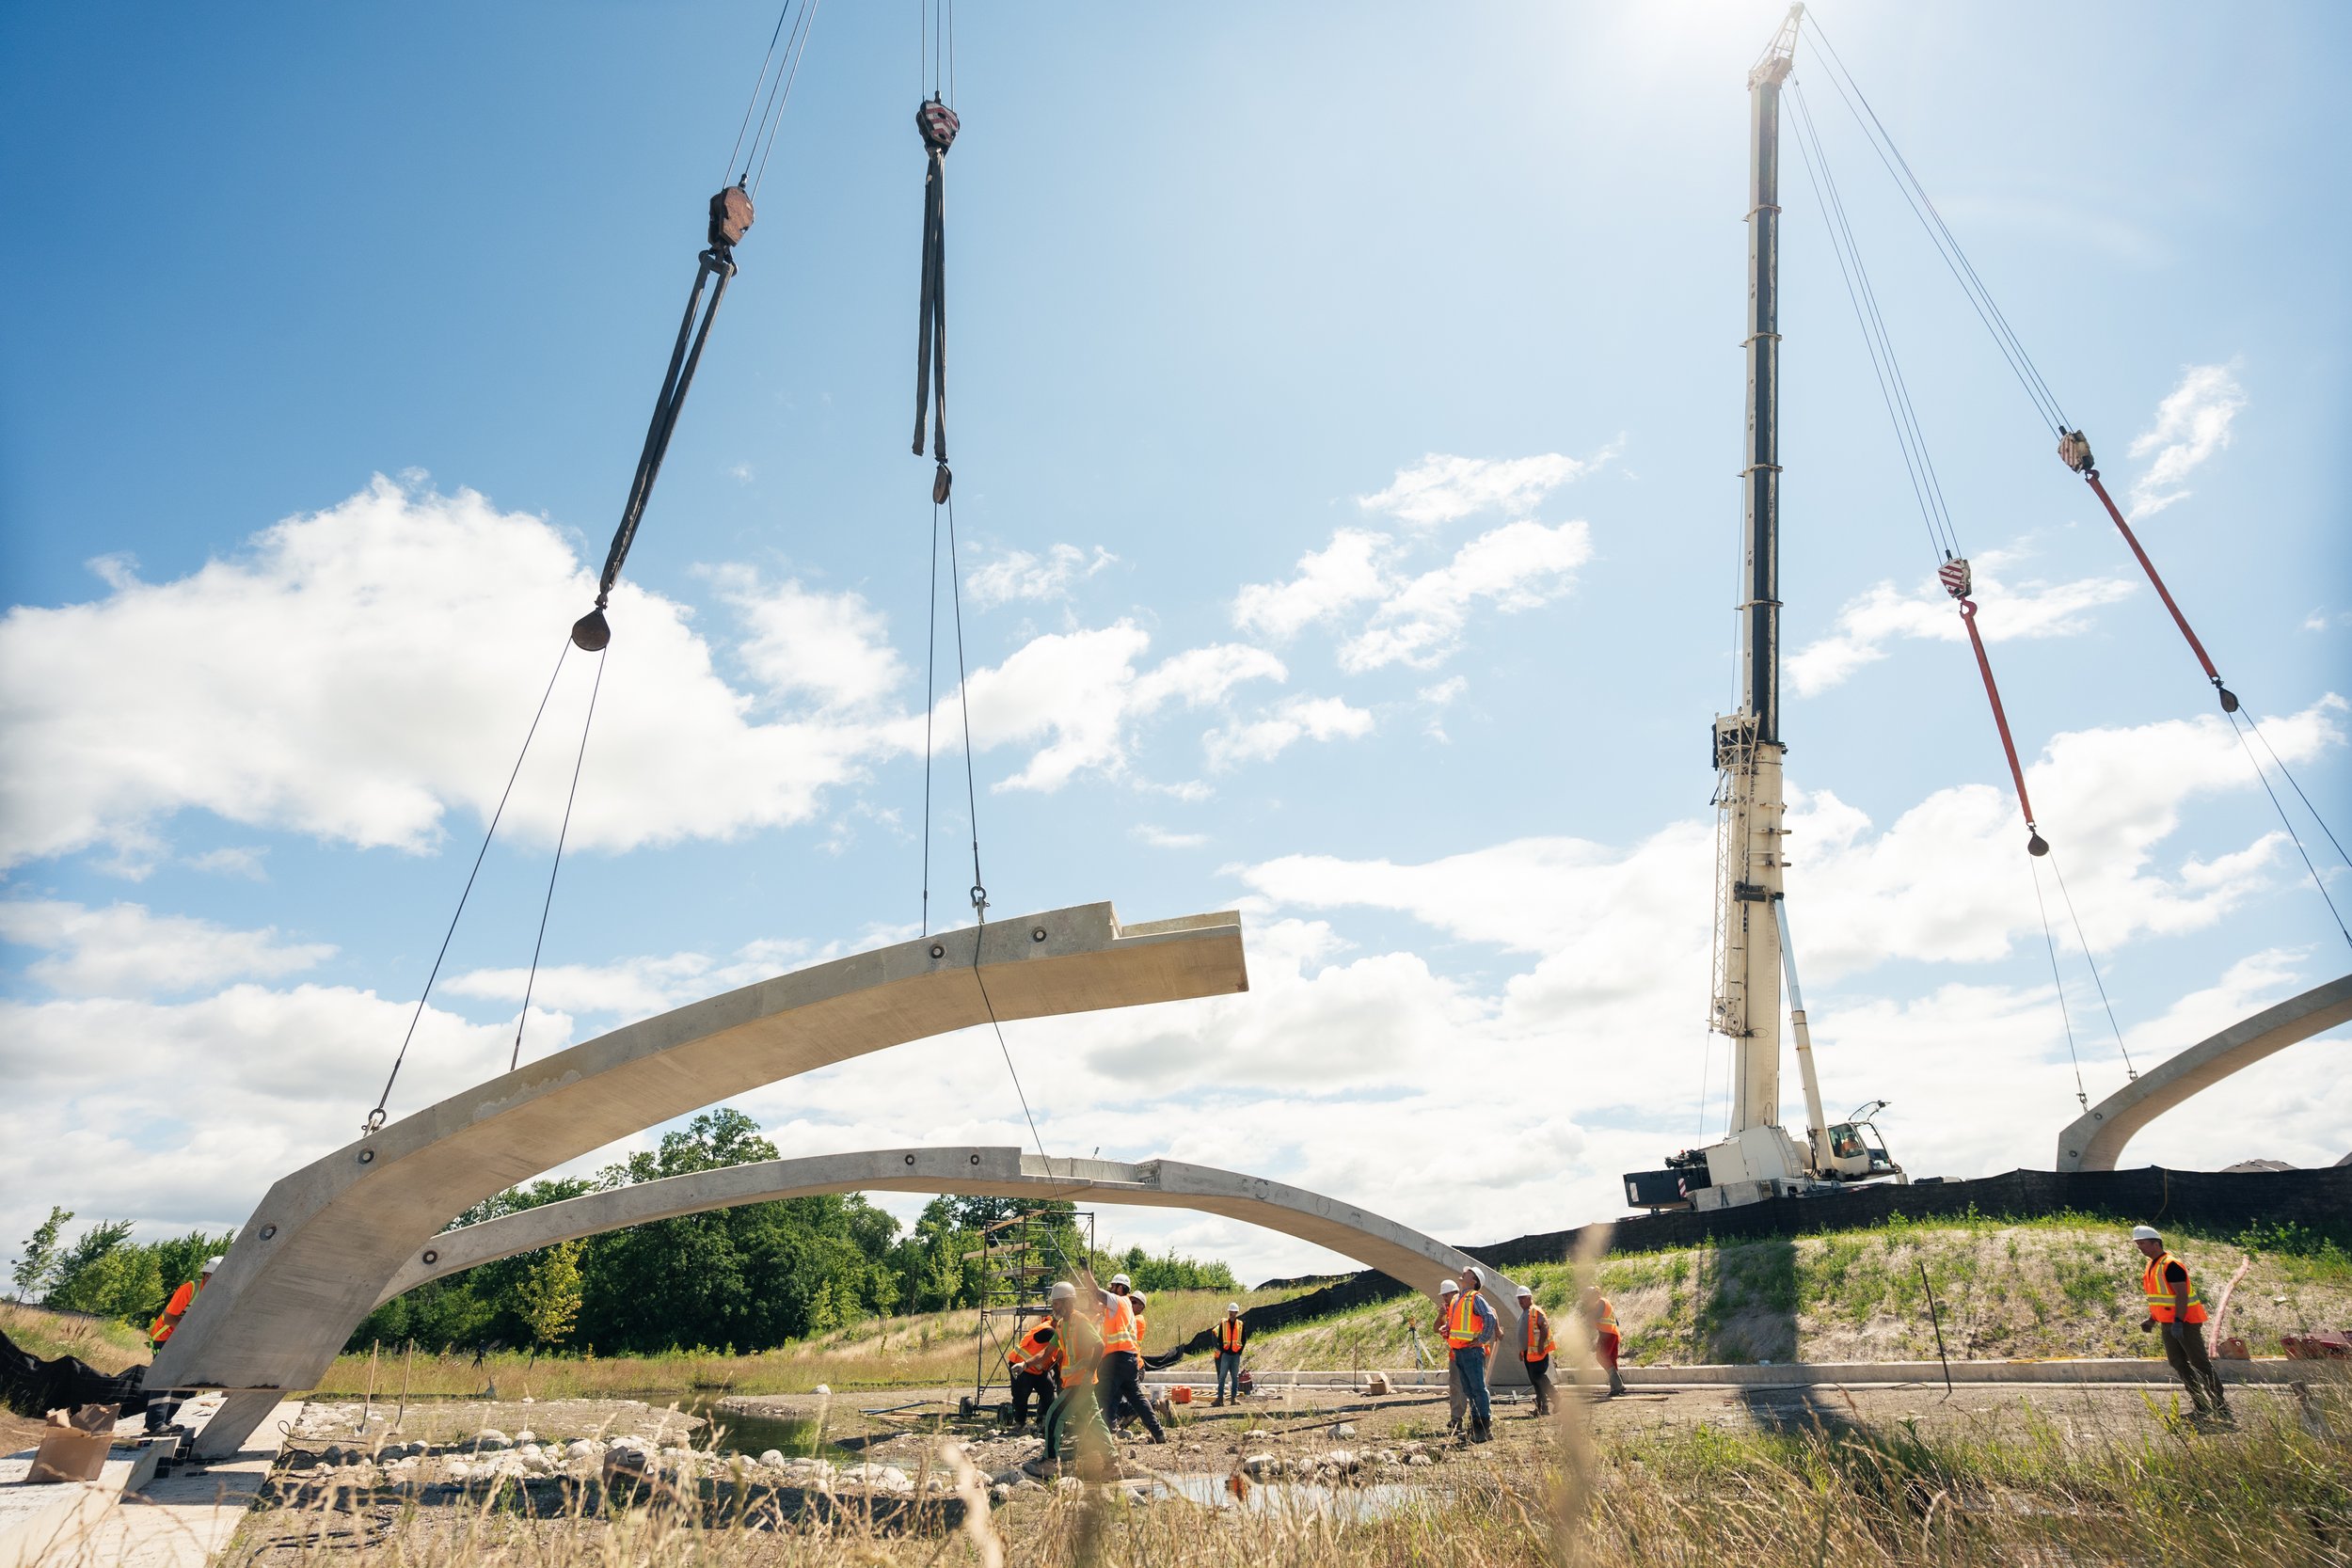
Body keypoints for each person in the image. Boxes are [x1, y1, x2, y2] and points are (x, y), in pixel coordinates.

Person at [2133, 1226, 2230, 1423]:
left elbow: (2182, 1295)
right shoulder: (2153, 1265)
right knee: (2177, 1363)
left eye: (2142, 1244)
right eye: (2138, 1244)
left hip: (2185, 1322)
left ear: (2155, 1243)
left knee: (2199, 1363)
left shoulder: (2171, 1264)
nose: (2140, 1248)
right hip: (2169, 1323)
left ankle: (2221, 1406)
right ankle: (2201, 1405)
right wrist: (2152, 1320)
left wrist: (2178, 1322)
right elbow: (2160, 1298)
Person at [144, 1256, 223, 1433]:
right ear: (207, 1275)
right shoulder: (190, 1288)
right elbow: (169, 1318)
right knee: (165, 1379)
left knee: (184, 1381)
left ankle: (167, 1420)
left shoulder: (216, 1294)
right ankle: (155, 1423)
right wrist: (194, 1330)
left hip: (187, 1339)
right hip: (165, 1337)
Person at [1037, 1283, 1108, 1465]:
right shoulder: (1061, 1325)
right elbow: (1047, 1353)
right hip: (1074, 1382)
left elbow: (1099, 1345)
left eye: (1057, 1303)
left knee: (1054, 1414)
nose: (1054, 1307)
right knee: (1094, 1422)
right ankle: (1112, 1463)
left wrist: (1089, 1373)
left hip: (1081, 1382)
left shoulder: (1081, 1321)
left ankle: (1050, 1461)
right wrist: (1024, 1364)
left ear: (1067, 1303)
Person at [1094, 1281, 1167, 1443]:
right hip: (1129, 1361)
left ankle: (1102, 1437)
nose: (1111, 1290)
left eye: (1113, 1287)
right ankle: (1158, 1432)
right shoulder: (1126, 1310)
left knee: (1103, 1396)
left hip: (1117, 1359)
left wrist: (1087, 1274)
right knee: (1135, 1398)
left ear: (1120, 1289)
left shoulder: (1125, 1306)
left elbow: (1100, 1295)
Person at [1444, 1264, 1501, 1443]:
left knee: (1478, 1389)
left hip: (1472, 1351)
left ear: (1474, 1280)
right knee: (1469, 1390)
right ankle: (1476, 1427)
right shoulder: (1459, 1299)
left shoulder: (1474, 1297)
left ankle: (1483, 1428)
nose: (1463, 1272)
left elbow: (1489, 1317)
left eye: (1467, 1272)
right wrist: (1448, 1328)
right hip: (1460, 1351)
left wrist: (1482, 1339)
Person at [1005, 1313, 1061, 1429]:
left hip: (1038, 1369)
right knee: (1021, 1395)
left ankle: (1042, 1422)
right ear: (1057, 1322)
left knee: (1048, 1392)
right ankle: (1020, 1423)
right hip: (1022, 1366)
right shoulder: (1048, 1331)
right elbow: (1049, 1350)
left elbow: (1055, 1358)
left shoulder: (1056, 1330)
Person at [1579, 1284, 1627, 1398]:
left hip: (1606, 1334)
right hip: (1613, 1334)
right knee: (1611, 1360)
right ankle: (1615, 1388)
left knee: (1601, 1357)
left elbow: (1596, 1316)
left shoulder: (1600, 1303)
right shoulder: (1606, 1302)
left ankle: (1619, 1384)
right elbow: (1616, 1321)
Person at [1517, 1287, 1556, 1416]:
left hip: (1537, 1352)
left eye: (1523, 1297)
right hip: (1529, 1353)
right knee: (1535, 1379)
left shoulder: (1535, 1311)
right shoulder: (1525, 1312)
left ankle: (1557, 1399)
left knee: (1538, 1377)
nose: (1520, 1300)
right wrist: (1522, 1351)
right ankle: (1542, 1407)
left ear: (1529, 1297)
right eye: (1519, 1298)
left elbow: (1544, 1326)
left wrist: (1540, 1346)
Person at [1436, 1280, 1466, 1433]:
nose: (1444, 1299)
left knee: (1473, 1387)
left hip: (1469, 1353)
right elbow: (1436, 1329)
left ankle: (1479, 1418)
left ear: (1454, 1293)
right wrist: (1441, 1316)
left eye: (1446, 1295)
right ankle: (1456, 1419)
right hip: (1455, 1354)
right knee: (1455, 1387)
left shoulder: (1464, 1306)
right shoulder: (1448, 1311)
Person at [1213, 1303, 1247, 1406]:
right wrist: (1223, 1351)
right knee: (1222, 1376)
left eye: (1233, 1312)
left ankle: (1233, 1399)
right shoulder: (1224, 1324)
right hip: (1226, 1355)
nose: (1231, 1314)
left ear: (1236, 1313)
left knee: (1235, 1377)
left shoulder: (1240, 1324)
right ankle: (1220, 1399)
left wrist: (1239, 1352)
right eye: (1230, 1312)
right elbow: (1219, 1338)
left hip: (1235, 1355)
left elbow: (1244, 1339)